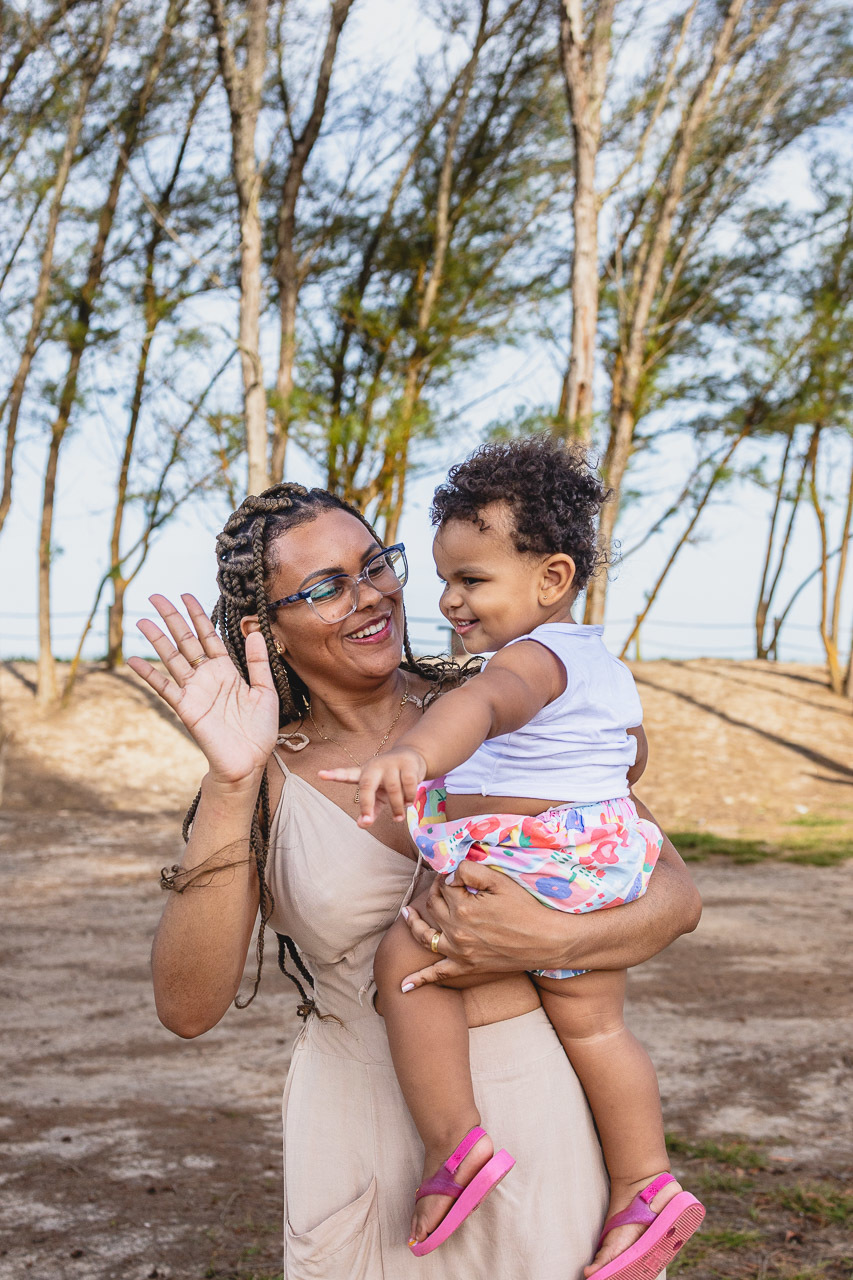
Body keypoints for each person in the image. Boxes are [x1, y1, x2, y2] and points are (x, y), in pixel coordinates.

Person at [129, 481, 702, 1280]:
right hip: (363, 1125)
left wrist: (557, 939)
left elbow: (676, 897)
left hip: (542, 1110)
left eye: (374, 565)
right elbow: (187, 1008)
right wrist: (233, 779)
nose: (370, 597)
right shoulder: (260, 779)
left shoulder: (497, 707)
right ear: (269, 632)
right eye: (326, 587)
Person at [320, 438, 704, 1278]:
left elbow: (488, 704)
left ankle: (454, 1145)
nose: (451, 600)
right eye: (445, 578)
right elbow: (628, 753)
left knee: (404, 959)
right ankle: (644, 1184)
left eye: (473, 580)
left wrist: (417, 755)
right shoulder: (601, 662)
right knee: (598, 1027)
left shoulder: (527, 659)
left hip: (530, 858)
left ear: (552, 579)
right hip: (593, 856)